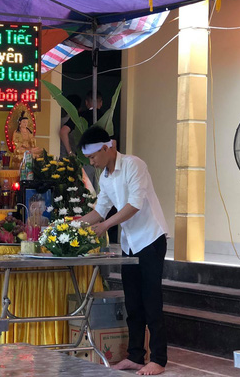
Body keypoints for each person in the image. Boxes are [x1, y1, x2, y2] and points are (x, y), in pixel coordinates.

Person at [77, 126, 169, 376]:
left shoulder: (133, 165)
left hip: (150, 239)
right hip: (130, 244)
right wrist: (71, 226)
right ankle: (136, 356)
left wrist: (105, 226)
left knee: (151, 300)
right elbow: (100, 210)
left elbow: (134, 204)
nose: (92, 162)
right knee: (133, 302)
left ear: (106, 148)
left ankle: (158, 359)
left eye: (93, 157)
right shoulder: (105, 178)